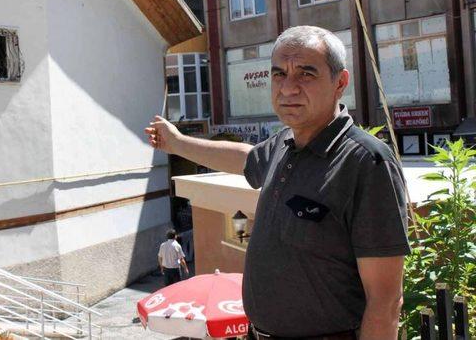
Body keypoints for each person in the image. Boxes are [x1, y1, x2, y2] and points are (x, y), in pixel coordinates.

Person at [144, 26, 410, 340]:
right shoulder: (285, 142)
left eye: (306, 74)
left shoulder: (366, 163)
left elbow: (386, 301)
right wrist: (177, 144)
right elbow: (244, 159)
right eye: (279, 74)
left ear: (340, 83)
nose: (288, 88)